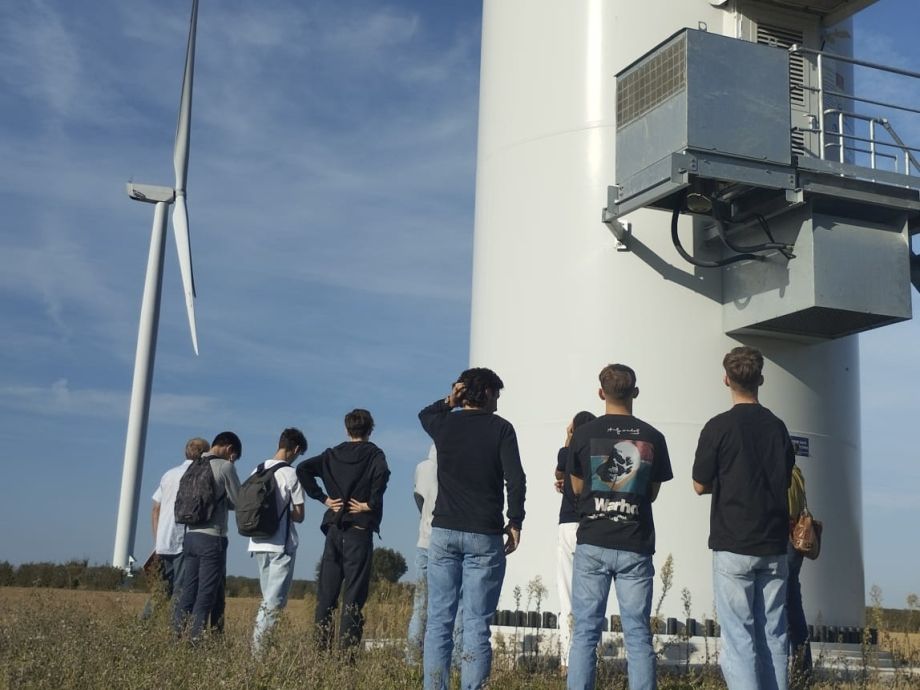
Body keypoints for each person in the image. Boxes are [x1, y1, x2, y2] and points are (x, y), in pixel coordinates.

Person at [692, 346, 794, 690]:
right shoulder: (778, 428)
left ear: (726, 379)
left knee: (739, 639)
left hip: (733, 541)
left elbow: (699, 484)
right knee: (775, 636)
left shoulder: (717, 427)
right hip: (774, 543)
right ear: (761, 379)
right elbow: (786, 475)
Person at [419, 367, 526, 690]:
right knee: (476, 624)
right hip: (484, 533)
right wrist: (516, 520)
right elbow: (516, 479)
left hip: (445, 531)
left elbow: (426, 413)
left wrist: (450, 399)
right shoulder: (501, 429)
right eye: (497, 393)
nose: (498, 400)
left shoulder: (444, 424)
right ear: (489, 392)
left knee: (439, 620)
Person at [566, 365, 672, 690]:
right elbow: (651, 493)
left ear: (601, 393)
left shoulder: (583, 435)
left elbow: (576, 488)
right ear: (635, 392)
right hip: (635, 543)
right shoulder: (653, 437)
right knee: (638, 634)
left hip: (593, 541)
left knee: (585, 633)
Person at [296, 409, 390, 651]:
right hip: (359, 529)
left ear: (347, 429)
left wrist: (324, 498)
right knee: (353, 596)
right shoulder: (374, 454)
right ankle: (346, 656)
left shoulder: (332, 454)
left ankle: (320, 651)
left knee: (326, 596)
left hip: (334, 530)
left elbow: (303, 469)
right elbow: (382, 474)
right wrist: (371, 503)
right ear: (370, 429)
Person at [173, 431, 242, 640]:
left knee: (188, 591)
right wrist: (232, 466)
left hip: (190, 535)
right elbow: (239, 502)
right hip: (213, 538)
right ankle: (195, 641)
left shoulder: (194, 464)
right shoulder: (225, 466)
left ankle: (176, 637)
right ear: (230, 449)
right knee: (206, 593)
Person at [249, 427, 307, 654]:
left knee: (267, 599)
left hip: (257, 542)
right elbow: (299, 515)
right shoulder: (290, 474)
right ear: (296, 449)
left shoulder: (257, 469)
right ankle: (258, 654)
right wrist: (285, 514)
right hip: (280, 545)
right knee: (273, 604)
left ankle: (263, 648)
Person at [142, 437, 210, 619]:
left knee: (160, 591)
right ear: (204, 454)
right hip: (183, 540)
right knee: (182, 591)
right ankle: (174, 630)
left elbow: (155, 507)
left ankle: (143, 625)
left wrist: (157, 538)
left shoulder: (168, 474)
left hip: (163, 541)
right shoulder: (200, 475)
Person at [554, 411, 596, 671]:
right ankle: (588, 658)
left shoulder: (566, 453)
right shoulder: (596, 454)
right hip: (592, 524)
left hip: (567, 524)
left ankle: (567, 661)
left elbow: (559, 474)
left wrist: (568, 438)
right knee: (592, 596)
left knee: (566, 594)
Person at [786, 465, 813, 686]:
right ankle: (803, 672)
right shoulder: (796, 472)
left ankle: (791, 671)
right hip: (795, 544)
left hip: (781, 541)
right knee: (794, 608)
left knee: (780, 609)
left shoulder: (780, 469)